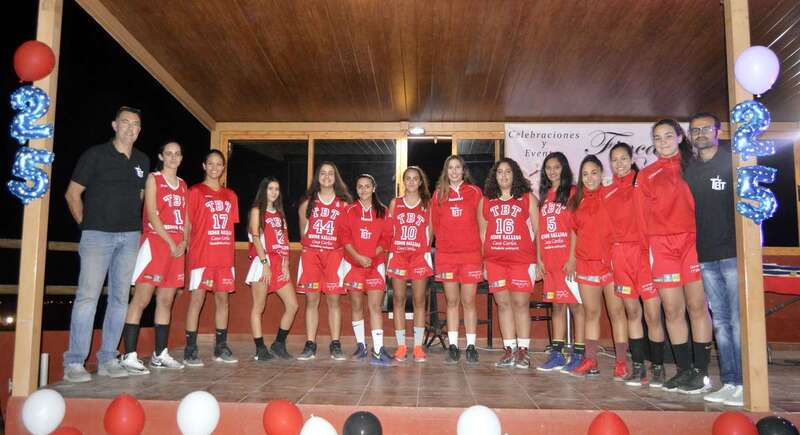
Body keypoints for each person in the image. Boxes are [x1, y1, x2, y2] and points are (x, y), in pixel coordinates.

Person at [63, 106, 149, 382]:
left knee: (120, 299)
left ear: (139, 130)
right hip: (97, 236)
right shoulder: (95, 155)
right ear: (114, 125)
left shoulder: (142, 160)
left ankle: (108, 358)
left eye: (135, 124)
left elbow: (139, 197)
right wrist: (86, 226)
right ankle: (75, 362)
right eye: (125, 122)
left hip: (130, 237)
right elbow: (72, 194)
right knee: (87, 297)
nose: (130, 128)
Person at [638, 119, 714, 394]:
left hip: (692, 243)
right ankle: (683, 370)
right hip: (661, 248)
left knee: (697, 306)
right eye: (657, 138)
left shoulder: (694, 168)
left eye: (668, 136)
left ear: (680, 137)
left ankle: (701, 372)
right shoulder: (646, 175)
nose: (663, 142)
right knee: (671, 310)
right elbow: (641, 219)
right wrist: (645, 255)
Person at [684, 112, 743, 406]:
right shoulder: (690, 170)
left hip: (732, 254)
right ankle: (730, 381)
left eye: (705, 129)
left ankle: (745, 382)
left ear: (718, 131)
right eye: (695, 131)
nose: (700, 134)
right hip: (704, 256)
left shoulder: (734, 163)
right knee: (719, 321)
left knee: (737, 320)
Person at [120, 141, 189, 374]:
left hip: (176, 249)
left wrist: (184, 242)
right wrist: (170, 241)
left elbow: (186, 218)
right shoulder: (154, 179)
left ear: (181, 158)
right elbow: (151, 213)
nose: (173, 157)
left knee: (166, 300)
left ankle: (160, 354)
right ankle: (129, 354)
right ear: (161, 156)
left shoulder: (183, 185)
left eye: (177, 154)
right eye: (168, 153)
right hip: (156, 244)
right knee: (142, 299)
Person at [606, 143, 666, 387]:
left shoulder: (643, 184)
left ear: (631, 159)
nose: (619, 164)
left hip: (644, 255)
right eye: (615, 160)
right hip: (621, 257)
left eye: (623, 158)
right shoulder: (607, 191)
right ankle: (639, 366)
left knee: (652, 315)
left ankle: (658, 368)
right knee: (632, 312)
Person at [568, 156, 629, 379]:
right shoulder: (576, 201)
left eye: (594, 172)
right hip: (586, 264)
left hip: (611, 265)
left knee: (617, 312)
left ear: (602, 173)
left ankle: (621, 363)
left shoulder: (611, 195)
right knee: (591, 313)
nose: (589, 178)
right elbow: (574, 233)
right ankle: (590, 360)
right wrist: (572, 259)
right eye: (585, 174)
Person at [478, 158, 539, 369]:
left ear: (515, 175)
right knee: (503, 304)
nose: (503, 176)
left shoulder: (527, 198)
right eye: (500, 172)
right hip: (495, 262)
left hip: (522, 260)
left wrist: (540, 261)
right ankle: (510, 349)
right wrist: (484, 263)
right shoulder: (486, 200)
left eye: (508, 172)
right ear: (494, 176)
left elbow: (539, 231)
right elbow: (483, 234)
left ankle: (523, 351)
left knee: (520, 304)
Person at [183, 150, 240, 366]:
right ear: (204, 166)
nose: (215, 167)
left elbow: (229, 226)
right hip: (201, 255)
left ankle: (220, 347)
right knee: (197, 300)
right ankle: (190, 349)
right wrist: (186, 247)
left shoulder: (231, 195)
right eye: (211, 163)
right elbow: (187, 224)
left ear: (223, 168)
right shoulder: (195, 191)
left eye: (219, 164)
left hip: (224, 257)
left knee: (223, 300)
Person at [535, 152, 586, 374]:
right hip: (550, 261)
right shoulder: (545, 196)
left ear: (564, 168)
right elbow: (540, 230)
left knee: (576, 307)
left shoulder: (573, 192)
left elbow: (576, 227)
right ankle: (557, 354)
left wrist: (573, 258)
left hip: (568, 260)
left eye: (556, 167)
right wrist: (539, 259)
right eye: (548, 168)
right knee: (557, 306)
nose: (552, 171)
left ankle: (578, 354)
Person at [296, 162, 352, 360]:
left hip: (334, 256)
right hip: (311, 255)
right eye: (323, 173)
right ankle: (310, 344)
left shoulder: (344, 204)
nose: (327, 177)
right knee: (311, 300)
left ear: (336, 178)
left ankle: (335, 344)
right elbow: (303, 233)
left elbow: (348, 235)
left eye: (330, 173)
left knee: (333, 301)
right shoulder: (307, 202)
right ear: (317, 177)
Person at [431, 155, 484, 364]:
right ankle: (453, 345)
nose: (454, 171)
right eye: (450, 168)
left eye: (457, 167)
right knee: (451, 301)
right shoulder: (438, 194)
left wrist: (483, 252)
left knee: (469, 301)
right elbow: (434, 225)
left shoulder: (474, 192)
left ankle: (471, 345)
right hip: (446, 256)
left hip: (471, 255)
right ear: (446, 171)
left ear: (463, 170)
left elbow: (482, 223)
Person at [341, 174, 393, 365]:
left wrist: (370, 257)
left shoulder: (383, 211)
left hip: (375, 265)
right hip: (353, 264)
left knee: (375, 307)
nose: (363, 190)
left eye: (367, 186)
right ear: (356, 189)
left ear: (373, 188)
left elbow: (387, 238)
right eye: (360, 186)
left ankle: (378, 350)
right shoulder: (349, 210)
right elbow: (344, 237)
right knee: (356, 306)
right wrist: (358, 257)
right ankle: (361, 346)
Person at [246, 177, 299, 361]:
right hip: (263, 262)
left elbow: (284, 241)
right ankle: (260, 349)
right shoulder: (257, 210)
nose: (274, 192)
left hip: (279, 263)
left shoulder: (280, 214)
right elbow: (255, 237)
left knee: (292, 305)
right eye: (270, 188)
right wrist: (264, 264)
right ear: (264, 190)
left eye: (276, 189)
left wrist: (285, 265)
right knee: (259, 307)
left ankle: (278, 344)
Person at [387, 166, 434, 363]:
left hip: (419, 256)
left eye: (415, 178)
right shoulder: (395, 203)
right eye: (408, 178)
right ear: (403, 181)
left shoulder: (427, 204)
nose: (412, 182)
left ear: (420, 182)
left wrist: (421, 249)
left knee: (419, 300)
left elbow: (430, 232)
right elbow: (390, 231)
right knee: (398, 300)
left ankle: (417, 347)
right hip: (398, 255)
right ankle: (401, 346)